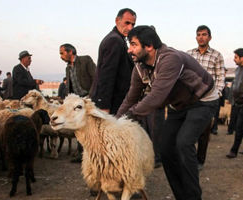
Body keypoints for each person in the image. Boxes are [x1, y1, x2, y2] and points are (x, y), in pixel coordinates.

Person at [116, 25, 217, 200]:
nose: (129, 49)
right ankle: (181, 195)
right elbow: (130, 98)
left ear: (149, 46)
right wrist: (115, 122)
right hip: (178, 105)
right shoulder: (139, 67)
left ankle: (193, 197)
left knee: (184, 143)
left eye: (133, 44)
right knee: (165, 148)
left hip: (202, 100)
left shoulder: (170, 59)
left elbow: (156, 97)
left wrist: (131, 115)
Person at [187, 25, 225, 170]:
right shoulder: (189, 54)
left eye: (204, 34)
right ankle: (188, 158)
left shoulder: (216, 55)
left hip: (208, 99)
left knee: (204, 131)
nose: (201, 37)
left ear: (209, 37)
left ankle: (199, 161)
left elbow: (220, 76)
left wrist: (218, 93)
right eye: (198, 34)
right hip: (191, 98)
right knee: (188, 130)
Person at [90, 8, 136, 114]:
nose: (130, 28)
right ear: (117, 21)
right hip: (111, 104)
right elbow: (106, 75)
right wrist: (104, 105)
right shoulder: (114, 41)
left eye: (133, 25)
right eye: (127, 23)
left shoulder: (119, 40)